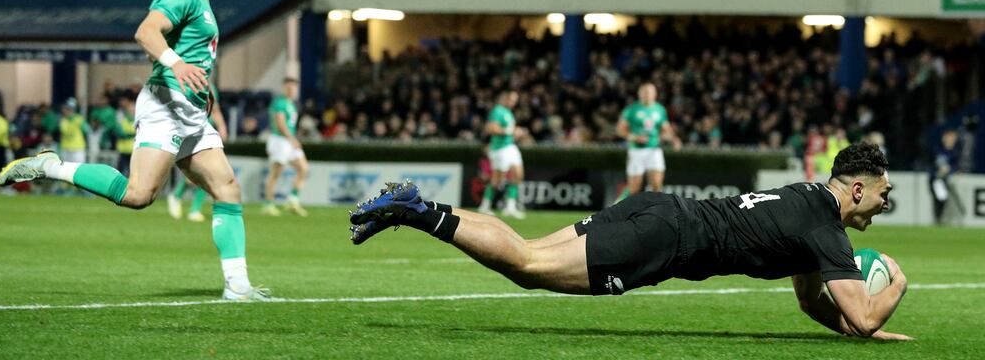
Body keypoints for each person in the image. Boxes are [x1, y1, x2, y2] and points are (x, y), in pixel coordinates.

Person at [350, 142, 911, 340]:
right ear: (857, 188)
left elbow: (814, 302)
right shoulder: (825, 229)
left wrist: (866, 329)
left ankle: (420, 206)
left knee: (528, 250)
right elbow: (861, 318)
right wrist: (894, 288)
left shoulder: (810, 204)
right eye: (882, 195)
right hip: (663, 240)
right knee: (524, 265)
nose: (884, 206)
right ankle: (417, 212)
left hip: (659, 210)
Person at [0, 0, 269, 301]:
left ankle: (237, 286)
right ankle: (50, 167)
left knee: (228, 188)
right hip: (165, 108)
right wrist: (174, 64)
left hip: (190, 112)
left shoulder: (201, 2)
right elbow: (146, 31)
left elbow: (195, 59)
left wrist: (206, 92)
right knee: (138, 194)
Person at [168, 85, 229, 223]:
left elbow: (215, 109)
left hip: (205, 134)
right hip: (191, 133)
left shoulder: (209, 86)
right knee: (204, 173)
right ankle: (185, 202)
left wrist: (222, 127)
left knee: (207, 173)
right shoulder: (185, 84)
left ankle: (183, 200)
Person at [614, 82, 681, 202]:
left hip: (654, 150)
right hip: (636, 150)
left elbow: (666, 129)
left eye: (649, 92)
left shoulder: (660, 110)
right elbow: (619, 130)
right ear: (639, 94)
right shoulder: (631, 109)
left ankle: (654, 214)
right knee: (634, 188)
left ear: (655, 94)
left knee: (656, 185)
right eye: (644, 92)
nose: (647, 95)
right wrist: (633, 137)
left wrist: (673, 139)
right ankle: (620, 208)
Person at [262, 77, 310, 217]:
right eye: (288, 87)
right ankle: (268, 204)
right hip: (280, 141)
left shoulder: (291, 104)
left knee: (303, 168)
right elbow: (281, 124)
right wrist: (292, 139)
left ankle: (292, 200)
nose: (291, 90)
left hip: (288, 141)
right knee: (276, 173)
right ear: (284, 88)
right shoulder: (280, 103)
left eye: (293, 88)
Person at [478, 90, 526, 219]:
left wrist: (516, 132)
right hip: (499, 149)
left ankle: (510, 207)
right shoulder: (497, 111)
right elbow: (490, 129)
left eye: (515, 101)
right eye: (512, 100)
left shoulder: (509, 112)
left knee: (518, 175)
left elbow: (509, 131)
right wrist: (509, 131)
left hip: (510, 147)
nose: (513, 103)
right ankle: (485, 205)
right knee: (497, 181)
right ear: (505, 98)